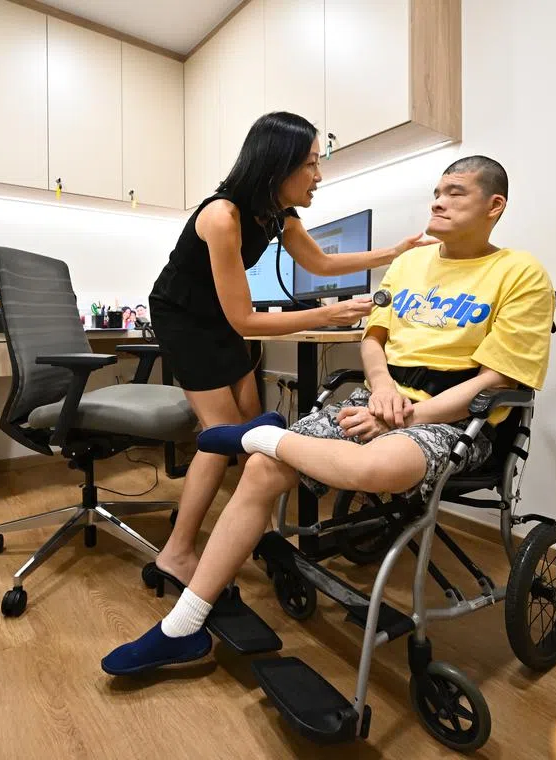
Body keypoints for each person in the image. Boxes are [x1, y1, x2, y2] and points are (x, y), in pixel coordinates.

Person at [103, 155, 556, 675]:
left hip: (452, 420)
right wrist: (382, 387)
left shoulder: (521, 273)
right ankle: (181, 627)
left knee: (370, 470)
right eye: (436, 191)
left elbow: (496, 380)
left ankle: (259, 437)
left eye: (455, 192)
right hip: (377, 402)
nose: (438, 200)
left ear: (494, 206)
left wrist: (405, 418)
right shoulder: (410, 264)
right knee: (263, 472)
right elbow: (375, 339)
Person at [146, 111, 435, 590]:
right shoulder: (222, 216)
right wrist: (327, 315)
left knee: (253, 424)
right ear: (277, 165)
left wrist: (391, 254)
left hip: (219, 316)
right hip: (184, 318)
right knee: (221, 435)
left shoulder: (277, 212)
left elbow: (319, 262)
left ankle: (258, 528)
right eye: (311, 164)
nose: (318, 176)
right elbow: (244, 319)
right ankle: (176, 554)